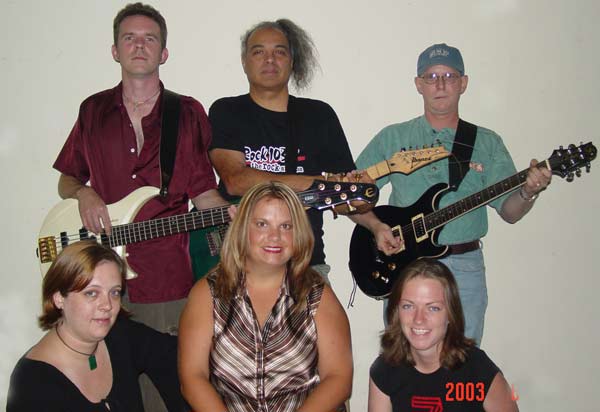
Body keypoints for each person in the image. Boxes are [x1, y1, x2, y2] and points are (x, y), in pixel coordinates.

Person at [52, 3, 226, 410]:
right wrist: (84, 193)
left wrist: (236, 215)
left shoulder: (187, 112)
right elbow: (66, 180)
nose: (139, 46)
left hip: (164, 278)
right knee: (105, 385)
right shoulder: (92, 110)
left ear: (164, 52)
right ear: (115, 50)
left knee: (162, 392)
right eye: (129, 38)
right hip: (96, 275)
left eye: (150, 39)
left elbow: (203, 192)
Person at [352, 43, 552, 345]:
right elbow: (350, 198)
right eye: (431, 77)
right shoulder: (393, 138)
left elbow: (510, 213)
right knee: (404, 361)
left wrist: (529, 191)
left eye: (449, 76)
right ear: (418, 84)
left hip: (464, 268)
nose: (441, 84)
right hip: (407, 268)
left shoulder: (487, 142)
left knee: (463, 359)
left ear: (463, 83)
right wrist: (377, 227)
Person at [178, 181, 353, 412]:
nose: (275, 236)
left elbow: (338, 378)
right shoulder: (207, 294)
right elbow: (192, 377)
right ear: (242, 228)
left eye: (286, 226)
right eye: (262, 224)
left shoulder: (318, 295)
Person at [208, 18, 357, 282]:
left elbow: (345, 194)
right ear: (244, 61)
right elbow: (236, 181)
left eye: (280, 52)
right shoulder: (226, 111)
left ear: (292, 61)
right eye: (258, 52)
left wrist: (375, 223)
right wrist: (315, 184)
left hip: (305, 265)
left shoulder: (319, 115)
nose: (269, 60)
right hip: (238, 263)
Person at [6, 241, 187, 412]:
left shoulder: (120, 335)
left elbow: (178, 354)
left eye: (114, 292)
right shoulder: (33, 382)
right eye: (91, 293)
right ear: (59, 298)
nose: (107, 305)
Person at [368, 258, 518, 412]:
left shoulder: (477, 369)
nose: (419, 319)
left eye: (433, 308)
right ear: (396, 312)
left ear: (450, 315)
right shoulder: (384, 370)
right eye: (408, 306)